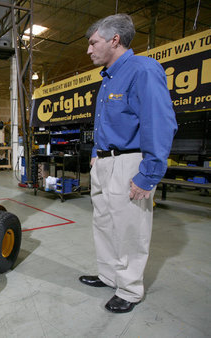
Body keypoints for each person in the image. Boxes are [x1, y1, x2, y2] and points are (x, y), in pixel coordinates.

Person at [79, 14, 177, 313]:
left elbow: (159, 123)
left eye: (93, 43)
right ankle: (110, 275)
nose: (88, 50)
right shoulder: (109, 78)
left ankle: (130, 289)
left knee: (129, 229)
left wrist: (148, 175)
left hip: (130, 163)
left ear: (114, 40)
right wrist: (97, 153)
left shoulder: (143, 70)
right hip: (105, 162)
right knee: (105, 224)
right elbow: (108, 123)